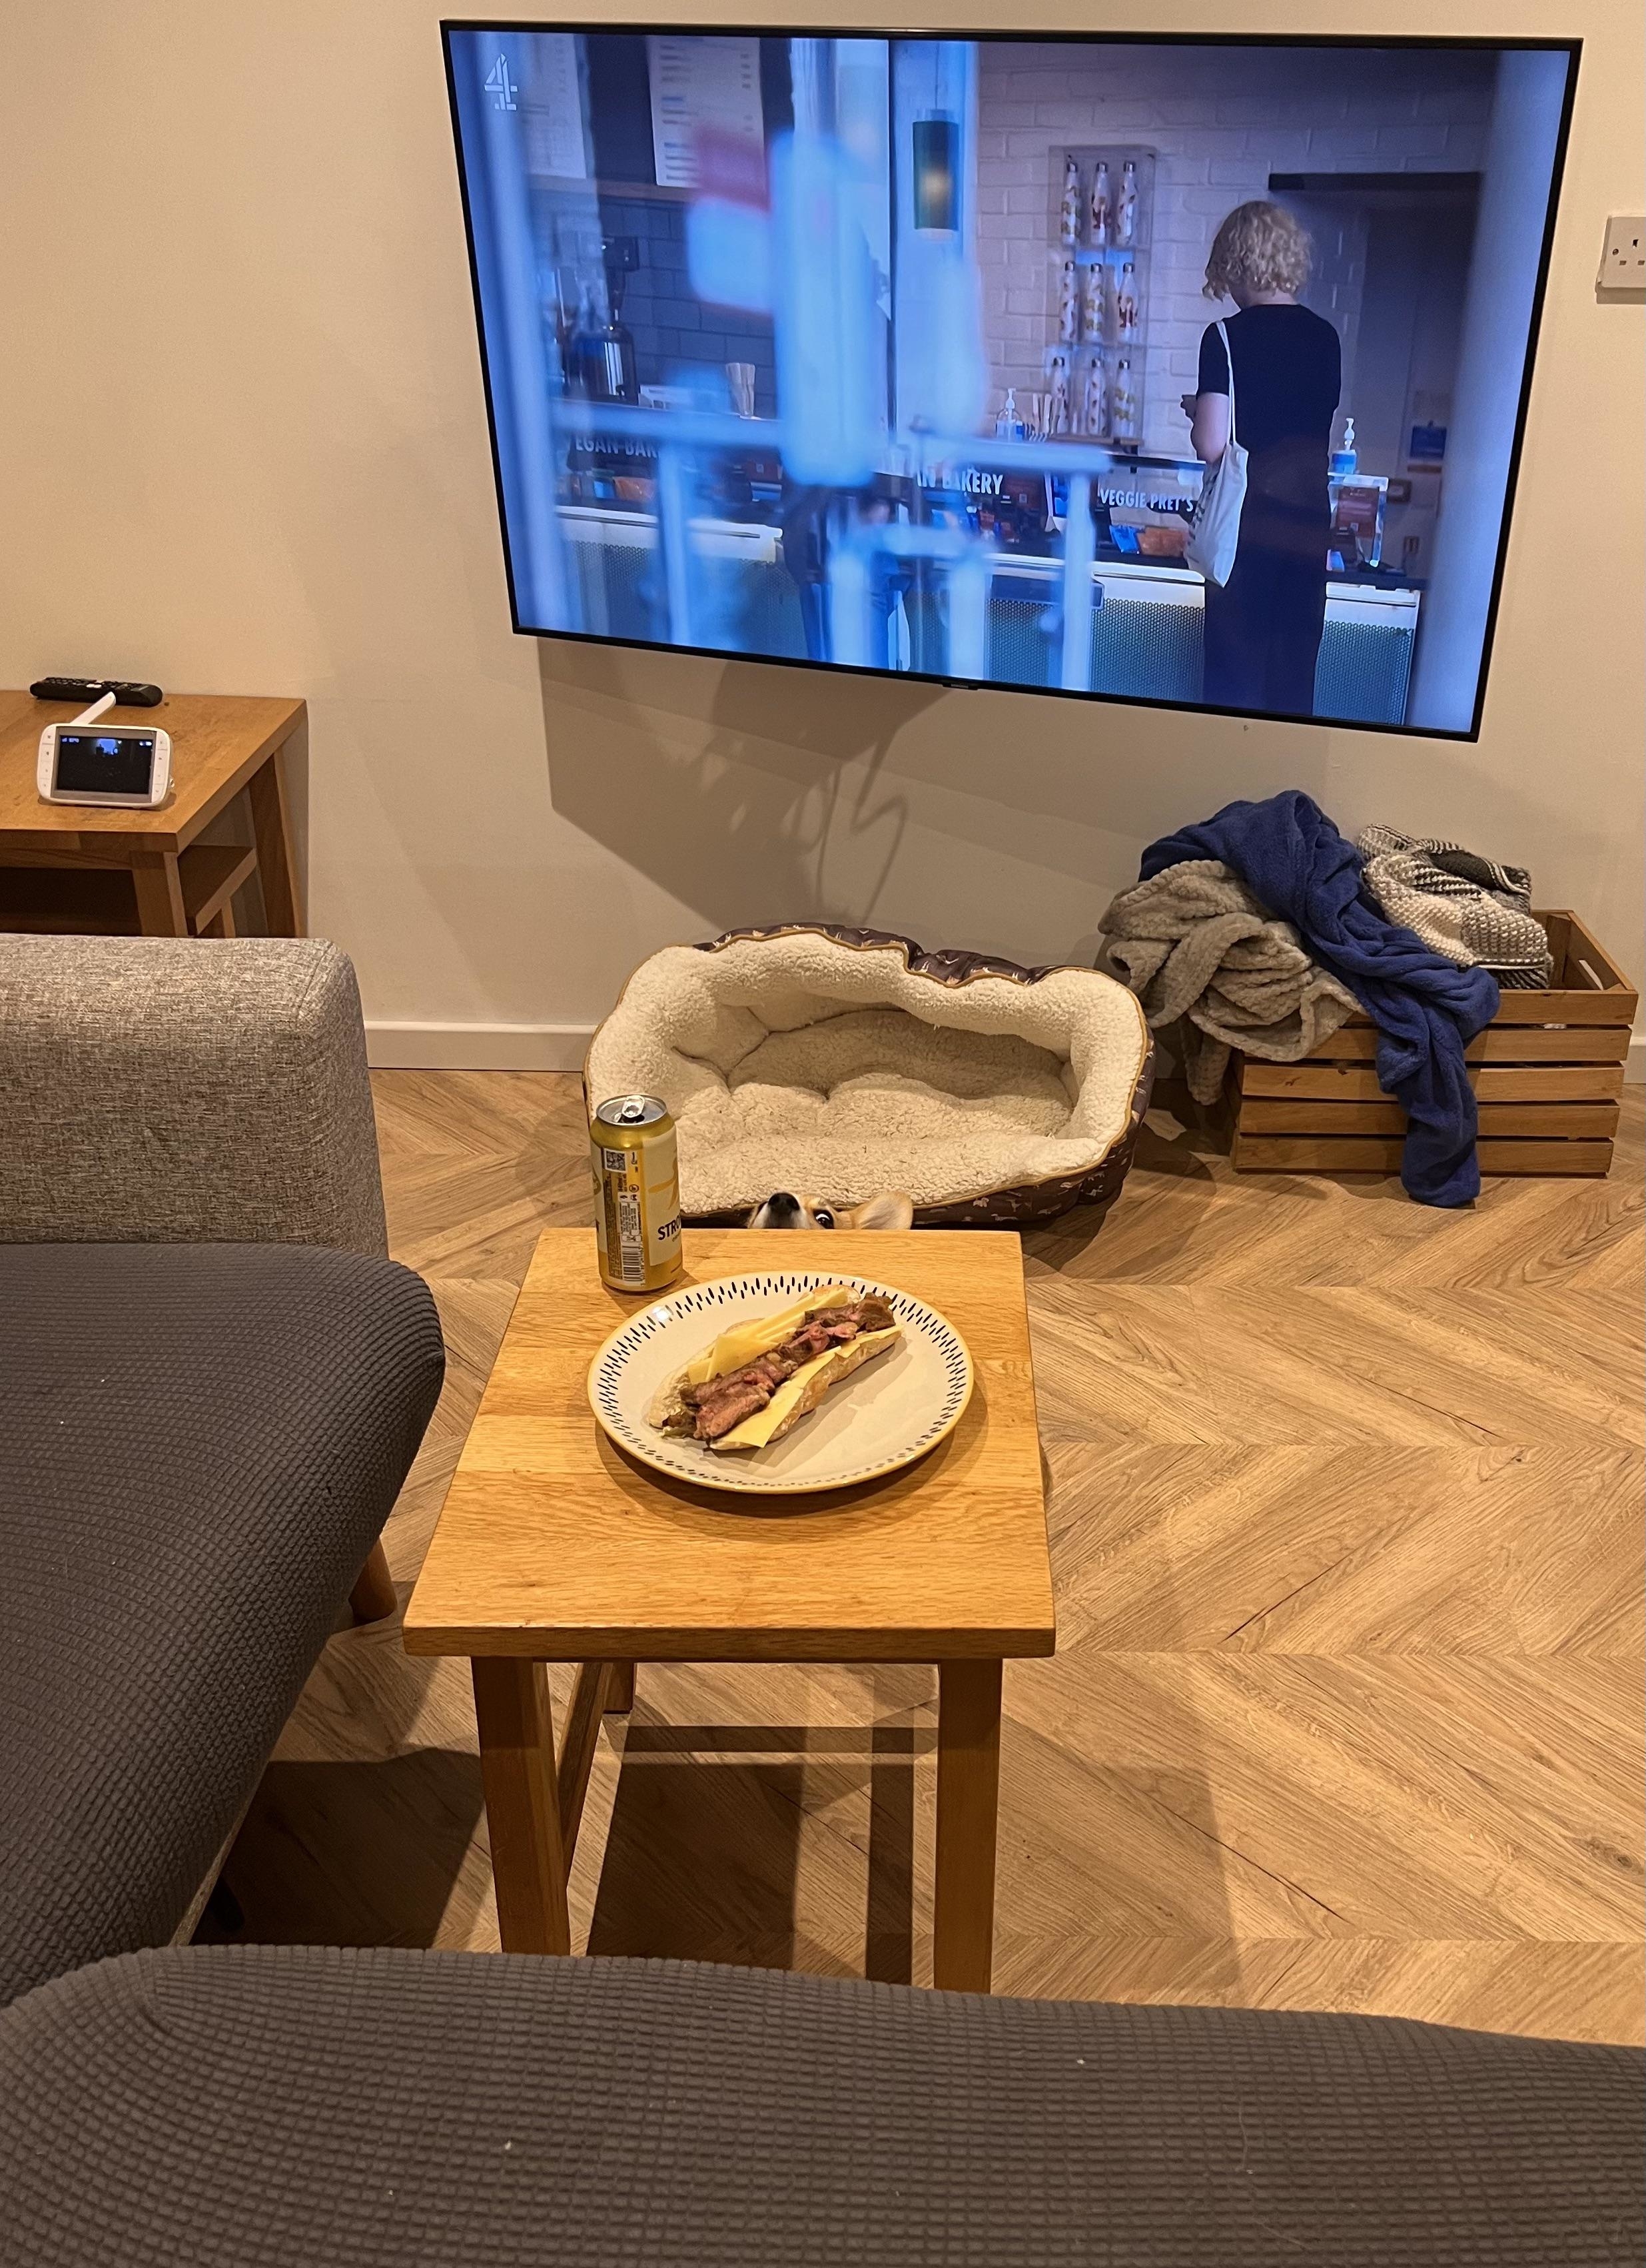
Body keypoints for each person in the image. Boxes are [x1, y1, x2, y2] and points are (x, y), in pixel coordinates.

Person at [1182, 201, 1341, 719]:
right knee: (1292, 689)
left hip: (1246, 534)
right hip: (1307, 530)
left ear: (1236, 262)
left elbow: (1210, 444)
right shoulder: (1325, 338)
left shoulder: (1225, 337)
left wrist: (1198, 412)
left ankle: (1234, 793)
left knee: (1233, 689)